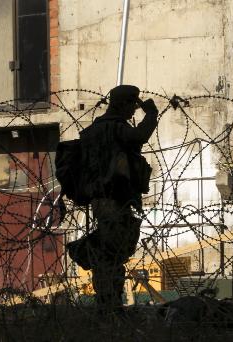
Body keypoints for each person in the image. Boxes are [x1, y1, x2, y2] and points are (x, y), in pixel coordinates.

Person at [69, 85, 158, 315]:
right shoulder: (114, 128)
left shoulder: (95, 130)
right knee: (113, 252)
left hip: (101, 199)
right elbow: (139, 137)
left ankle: (107, 301)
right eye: (132, 105)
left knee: (110, 250)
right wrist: (151, 114)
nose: (133, 112)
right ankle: (109, 304)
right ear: (122, 104)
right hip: (115, 200)